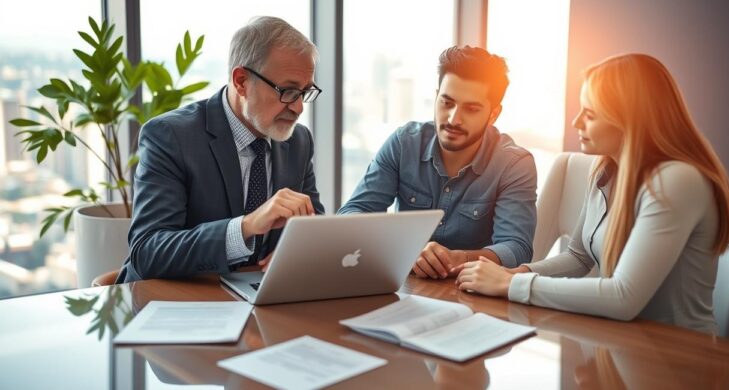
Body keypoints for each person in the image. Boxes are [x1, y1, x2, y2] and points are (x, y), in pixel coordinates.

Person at [456, 53, 729, 333]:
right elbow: (579, 257)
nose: (576, 122)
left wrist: (510, 285)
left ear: (629, 119)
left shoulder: (677, 181)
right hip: (625, 341)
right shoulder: (605, 170)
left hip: (680, 353)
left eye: (590, 114)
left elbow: (623, 298)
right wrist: (517, 273)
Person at [116, 16, 324, 283]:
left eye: (305, 92)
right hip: (172, 300)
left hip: (256, 296)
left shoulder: (298, 142)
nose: (298, 107)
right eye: (288, 91)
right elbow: (148, 253)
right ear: (241, 81)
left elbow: (311, 226)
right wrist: (246, 226)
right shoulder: (171, 136)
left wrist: (298, 252)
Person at [338, 46, 537, 279]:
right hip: (404, 285)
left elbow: (516, 248)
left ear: (493, 114)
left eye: (471, 109)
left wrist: (459, 258)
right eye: (447, 103)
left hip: (471, 291)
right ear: (436, 97)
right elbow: (352, 214)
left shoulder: (514, 164)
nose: (454, 119)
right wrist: (406, 249)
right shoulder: (404, 143)